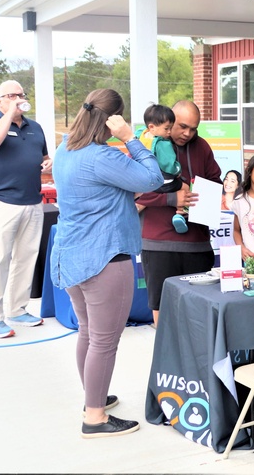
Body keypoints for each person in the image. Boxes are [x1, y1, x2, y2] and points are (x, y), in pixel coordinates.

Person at [51, 89, 164, 437]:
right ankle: (95, 418)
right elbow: (152, 179)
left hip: (71, 255)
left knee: (88, 332)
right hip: (104, 258)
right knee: (104, 341)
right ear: (113, 118)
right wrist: (131, 138)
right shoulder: (101, 156)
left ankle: (93, 399)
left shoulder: (64, 149)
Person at [0, 81, 52, 338]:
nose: (19, 98)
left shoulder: (35, 128)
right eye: (11, 95)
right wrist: (9, 114)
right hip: (3, 202)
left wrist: (48, 164)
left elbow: (43, 158)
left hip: (32, 200)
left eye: (21, 94)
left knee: (26, 257)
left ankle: (18, 309)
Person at [136, 101, 222, 326]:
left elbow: (215, 182)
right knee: (163, 310)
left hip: (198, 244)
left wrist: (199, 192)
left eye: (194, 128)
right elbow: (133, 193)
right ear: (168, 122)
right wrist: (172, 198)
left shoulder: (201, 146)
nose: (188, 133)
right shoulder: (147, 146)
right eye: (183, 126)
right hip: (159, 245)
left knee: (199, 314)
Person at [140, 104, 188, 233]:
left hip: (145, 181)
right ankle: (179, 213)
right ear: (152, 127)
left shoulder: (141, 137)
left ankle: (139, 207)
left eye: (171, 128)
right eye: (167, 128)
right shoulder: (162, 144)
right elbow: (169, 165)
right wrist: (177, 170)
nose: (169, 132)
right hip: (164, 181)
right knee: (185, 187)